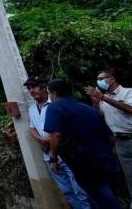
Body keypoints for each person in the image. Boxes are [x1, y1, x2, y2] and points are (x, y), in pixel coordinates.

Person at [44, 79, 122, 209]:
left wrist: (53, 159)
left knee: (104, 201)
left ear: (54, 93)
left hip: (85, 164)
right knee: (106, 197)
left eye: (49, 93)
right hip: (107, 160)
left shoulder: (55, 107)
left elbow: (55, 135)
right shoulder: (87, 108)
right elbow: (111, 138)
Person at [24, 76, 91, 209]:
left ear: (44, 88)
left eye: (34, 87)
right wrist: (39, 138)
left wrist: (54, 139)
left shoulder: (56, 104)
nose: (31, 91)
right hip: (49, 155)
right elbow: (32, 128)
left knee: (80, 190)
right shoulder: (32, 109)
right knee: (67, 191)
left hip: (66, 152)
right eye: (29, 88)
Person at [85, 69, 132, 209]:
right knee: (131, 178)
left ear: (112, 79)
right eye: (98, 79)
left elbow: (130, 109)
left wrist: (103, 98)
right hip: (120, 143)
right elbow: (99, 117)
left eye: (101, 78)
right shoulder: (104, 99)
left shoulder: (130, 92)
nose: (99, 82)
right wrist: (96, 102)